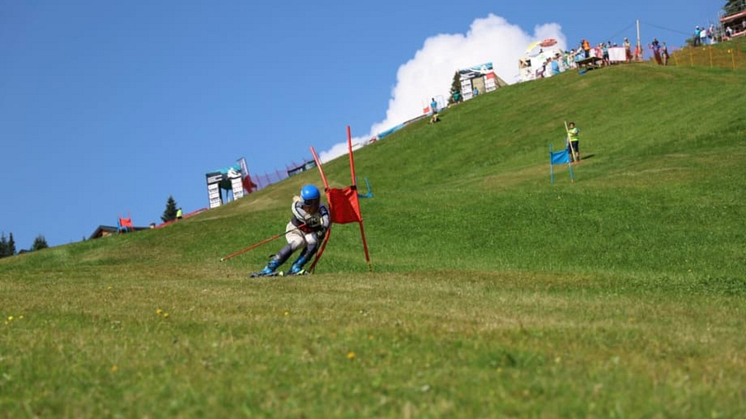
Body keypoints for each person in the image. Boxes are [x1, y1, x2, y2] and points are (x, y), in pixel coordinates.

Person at [254, 184, 330, 277]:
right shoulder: (297, 206)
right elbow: (304, 216)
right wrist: (310, 219)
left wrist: (323, 229)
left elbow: (326, 218)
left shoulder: (322, 208)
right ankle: (269, 268)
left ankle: (296, 267)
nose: (313, 207)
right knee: (298, 242)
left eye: (316, 202)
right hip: (295, 231)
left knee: (313, 240)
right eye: (310, 203)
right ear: (303, 202)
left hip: (309, 233)